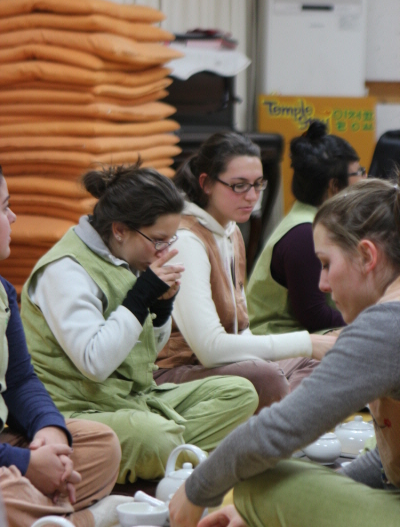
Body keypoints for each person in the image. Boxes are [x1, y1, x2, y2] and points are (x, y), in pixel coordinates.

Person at [168, 175, 400, 527]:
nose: (322, 283)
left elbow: (276, 431)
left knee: (258, 485)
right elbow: (387, 464)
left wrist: (196, 489)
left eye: (326, 264)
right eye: (239, 184)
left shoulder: (386, 323)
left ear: (367, 255)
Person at [21, 164, 259, 486]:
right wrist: (141, 296)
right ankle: (171, 451)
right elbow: (95, 362)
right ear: (120, 230)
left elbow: (146, 353)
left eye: (171, 239)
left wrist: (160, 309)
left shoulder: (127, 254)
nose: (166, 251)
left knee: (240, 393)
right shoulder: (66, 269)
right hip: (81, 409)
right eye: (159, 240)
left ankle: (168, 452)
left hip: (133, 398)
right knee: (154, 437)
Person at [155, 132, 335, 408]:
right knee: (267, 377)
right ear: (206, 183)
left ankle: (285, 417)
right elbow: (210, 349)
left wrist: (311, 347)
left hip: (225, 367)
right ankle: (284, 417)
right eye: (239, 186)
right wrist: (306, 342)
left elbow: (241, 332)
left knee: (326, 358)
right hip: (175, 373)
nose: (252, 196)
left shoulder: (231, 231)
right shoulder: (186, 239)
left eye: (258, 184)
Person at [0, 165, 134, 527]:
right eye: (5, 207)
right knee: (8, 492)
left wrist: (50, 432)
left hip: (6, 444)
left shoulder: (2, 291)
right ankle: (81, 519)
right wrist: (27, 464)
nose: (13, 217)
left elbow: (20, 380)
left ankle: (40, 511)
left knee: (102, 445)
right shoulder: (65, 266)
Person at [247, 120, 365, 336]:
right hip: (278, 341)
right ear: (334, 186)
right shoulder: (305, 233)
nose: (365, 179)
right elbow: (315, 316)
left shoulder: (317, 221)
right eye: (359, 172)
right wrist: (370, 322)